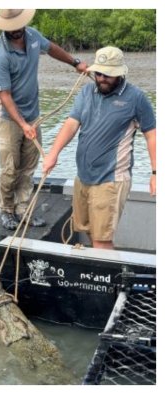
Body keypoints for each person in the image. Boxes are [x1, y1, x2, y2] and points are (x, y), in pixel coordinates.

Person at [42, 46, 156, 250]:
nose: (102, 78)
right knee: (87, 231)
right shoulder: (86, 92)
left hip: (111, 180)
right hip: (83, 177)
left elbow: (152, 135)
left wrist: (156, 173)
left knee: (102, 239)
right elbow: (71, 124)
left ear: (120, 73)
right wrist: (53, 154)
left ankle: (109, 280)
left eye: (108, 74)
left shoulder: (136, 98)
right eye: (99, 73)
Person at [0, 9, 88, 230]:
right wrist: (22, 124)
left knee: (29, 166)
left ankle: (23, 210)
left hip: (32, 114)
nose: (14, 30)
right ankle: (6, 211)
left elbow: (51, 48)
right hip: (7, 117)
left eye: (17, 25)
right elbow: (4, 95)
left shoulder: (32, 36)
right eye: (9, 27)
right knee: (10, 168)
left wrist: (75, 62)